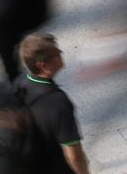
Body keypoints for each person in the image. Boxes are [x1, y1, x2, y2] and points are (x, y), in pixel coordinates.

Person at [14, 33, 91, 174]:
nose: (61, 52)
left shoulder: (21, 82)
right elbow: (74, 155)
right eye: (56, 53)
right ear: (43, 65)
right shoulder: (59, 102)